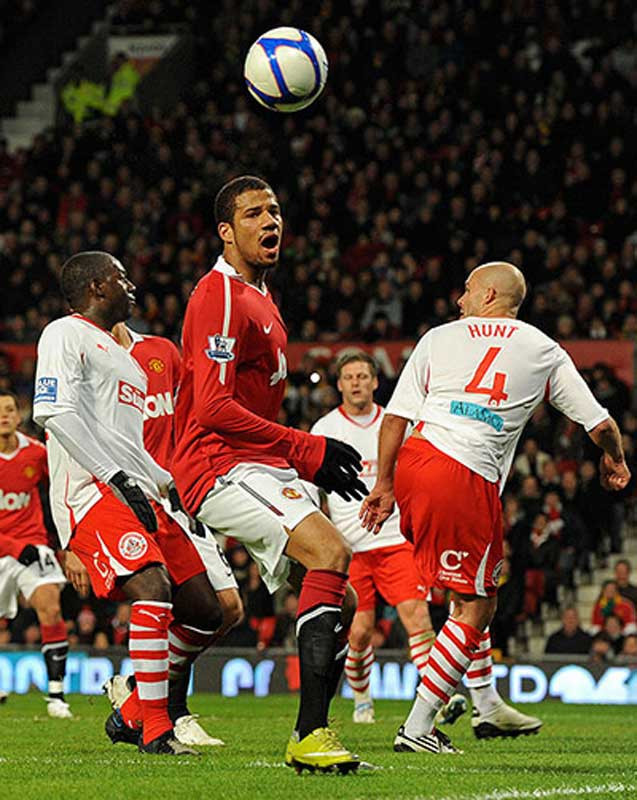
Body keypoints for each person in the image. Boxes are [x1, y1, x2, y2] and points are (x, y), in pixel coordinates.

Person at [361, 261, 630, 754]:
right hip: (462, 474)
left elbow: (395, 415)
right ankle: (419, 726)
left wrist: (383, 483)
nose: (459, 300)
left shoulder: (438, 338)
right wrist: (615, 459)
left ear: (488, 294)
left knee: (466, 594)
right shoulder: (542, 348)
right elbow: (600, 423)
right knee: (480, 603)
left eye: (466, 291)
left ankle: (486, 705)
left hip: (417, 461)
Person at [171, 175, 368, 774]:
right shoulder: (219, 295)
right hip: (217, 460)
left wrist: (297, 457)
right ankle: (310, 736)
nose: (270, 221)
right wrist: (305, 449)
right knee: (331, 552)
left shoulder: (262, 295)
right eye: (254, 213)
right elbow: (211, 407)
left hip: (255, 461)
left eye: (275, 210)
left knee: (346, 598)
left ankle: (143, 703)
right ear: (226, 232)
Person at [33, 251, 227, 756]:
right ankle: (158, 731)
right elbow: (53, 412)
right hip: (94, 491)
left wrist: (165, 481)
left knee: (207, 610)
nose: (132, 287)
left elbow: (129, 442)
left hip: (140, 489)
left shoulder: (129, 361)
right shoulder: (63, 334)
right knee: (151, 585)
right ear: (97, 286)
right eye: (121, 278)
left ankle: (133, 711)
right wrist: (115, 479)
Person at [102, 322, 244, 747]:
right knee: (180, 605)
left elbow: (189, 417)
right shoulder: (88, 357)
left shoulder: (161, 351)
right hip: (127, 503)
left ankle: (136, 693)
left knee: (228, 610)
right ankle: (170, 714)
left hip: (175, 496)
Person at [308, 351, 445, 724]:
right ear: (339, 384)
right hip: (349, 548)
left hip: (395, 540)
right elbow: (309, 488)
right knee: (360, 631)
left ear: (374, 382)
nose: (356, 382)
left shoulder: (395, 422)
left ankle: (436, 702)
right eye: (349, 376)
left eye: (363, 376)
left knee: (417, 617)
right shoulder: (324, 430)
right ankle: (363, 699)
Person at [0, 390, 72, 718]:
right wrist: (16, 548)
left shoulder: (36, 453)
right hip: (9, 548)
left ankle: (56, 696)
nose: (4, 416)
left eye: (10, 409)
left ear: (19, 415)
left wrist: (67, 543)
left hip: (33, 543)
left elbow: (61, 488)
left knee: (51, 606)